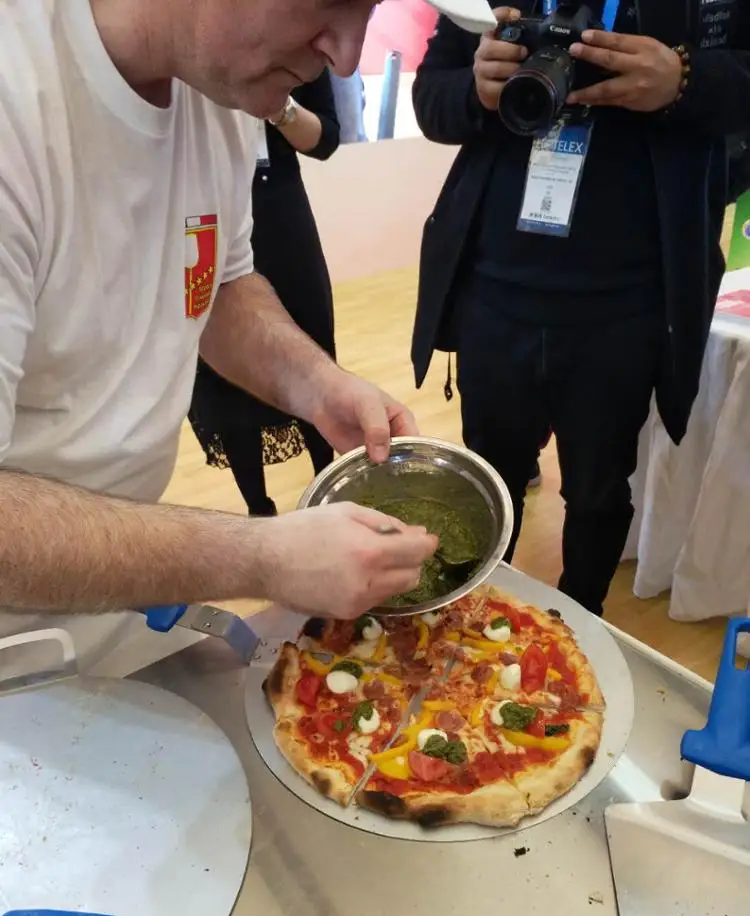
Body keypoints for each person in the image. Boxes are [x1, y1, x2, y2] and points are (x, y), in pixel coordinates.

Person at [0, 0, 437, 675]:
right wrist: (262, 556)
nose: (348, 56)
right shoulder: (19, 98)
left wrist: (319, 385)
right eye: (333, 2)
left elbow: (219, 286)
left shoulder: (223, 90)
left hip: (106, 591)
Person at [411, 3, 750, 616]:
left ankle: (579, 627)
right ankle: (474, 621)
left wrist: (686, 81)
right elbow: (431, 100)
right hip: (495, 289)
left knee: (597, 491)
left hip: (629, 301)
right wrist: (475, 88)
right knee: (490, 480)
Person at [190, 69, 341, 518]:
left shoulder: (301, 41)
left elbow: (326, 139)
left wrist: (278, 106)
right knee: (221, 375)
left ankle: (327, 489)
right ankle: (259, 509)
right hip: (201, 209)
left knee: (311, 347)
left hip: (280, 212)